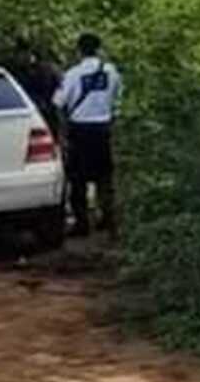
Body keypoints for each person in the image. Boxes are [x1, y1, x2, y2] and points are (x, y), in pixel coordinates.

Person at [53, 32, 122, 237]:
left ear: (79, 51)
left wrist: (62, 131)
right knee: (104, 176)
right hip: (103, 129)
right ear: (99, 49)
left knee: (78, 179)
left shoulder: (73, 74)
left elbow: (58, 102)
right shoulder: (111, 72)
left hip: (80, 131)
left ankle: (82, 223)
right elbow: (117, 98)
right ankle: (108, 218)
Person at [11, 39, 62, 134]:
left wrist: (54, 104)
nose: (19, 58)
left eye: (22, 54)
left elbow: (60, 88)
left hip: (48, 112)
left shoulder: (48, 69)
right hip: (29, 114)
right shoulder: (16, 72)